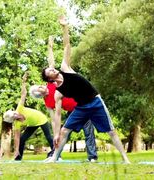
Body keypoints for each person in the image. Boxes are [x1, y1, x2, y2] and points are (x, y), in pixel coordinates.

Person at [41, 16, 130, 163]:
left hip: (95, 102)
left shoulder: (65, 69)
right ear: (49, 79)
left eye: (51, 68)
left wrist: (65, 28)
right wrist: (56, 134)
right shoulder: (58, 93)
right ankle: (54, 157)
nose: (52, 69)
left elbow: (67, 46)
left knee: (111, 131)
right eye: (49, 71)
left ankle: (125, 159)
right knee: (64, 131)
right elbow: (57, 116)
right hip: (81, 107)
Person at [28, 22, 98, 162]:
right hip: (72, 111)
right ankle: (56, 155)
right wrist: (56, 131)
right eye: (39, 88)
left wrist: (50, 47)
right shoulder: (48, 102)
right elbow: (54, 119)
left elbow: (51, 62)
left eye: (39, 85)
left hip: (82, 102)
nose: (41, 86)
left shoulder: (52, 81)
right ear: (39, 94)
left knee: (88, 131)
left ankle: (92, 157)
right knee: (64, 132)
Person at [3, 72, 54, 161]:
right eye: (14, 115)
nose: (16, 113)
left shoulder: (19, 108)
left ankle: (56, 153)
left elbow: (23, 94)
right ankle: (19, 157)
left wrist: (23, 81)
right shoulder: (17, 123)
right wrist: (16, 150)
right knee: (22, 139)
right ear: (13, 119)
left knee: (49, 137)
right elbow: (16, 138)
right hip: (32, 124)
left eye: (14, 112)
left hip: (41, 119)